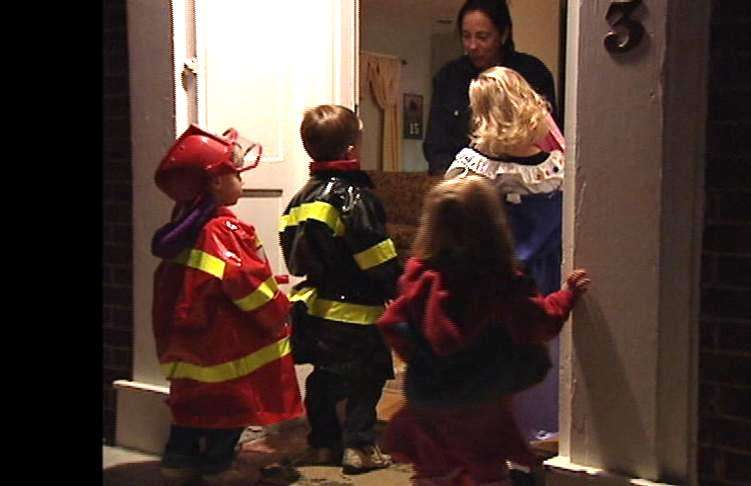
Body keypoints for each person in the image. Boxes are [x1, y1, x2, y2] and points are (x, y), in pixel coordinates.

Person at [376, 176, 590, 486]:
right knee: (487, 469)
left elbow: (393, 325)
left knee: (435, 472)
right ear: (493, 225)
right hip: (482, 402)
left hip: (428, 400)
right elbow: (539, 321)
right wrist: (567, 294)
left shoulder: (417, 275)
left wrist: (421, 358)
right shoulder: (501, 280)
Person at [152, 124, 304, 486]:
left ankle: (178, 462)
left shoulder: (183, 226)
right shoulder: (224, 230)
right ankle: (219, 468)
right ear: (215, 183)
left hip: (194, 344)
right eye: (234, 173)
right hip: (228, 343)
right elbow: (246, 284)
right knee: (232, 406)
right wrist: (279, 310)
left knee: (192, 404)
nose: (240, 180)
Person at [444, 65, 566, 483]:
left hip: (492, 286)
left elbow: (449, 231)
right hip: (547, 281)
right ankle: (534, 453)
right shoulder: (559, 167)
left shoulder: (472, 169)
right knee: (539, 369)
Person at [279, 105, 401, 474]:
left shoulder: (300, 198)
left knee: (324, 377)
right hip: (358, 311)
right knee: (367, 378)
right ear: (351, 150)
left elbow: (292, 254)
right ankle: (360, 448)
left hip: (316, 309)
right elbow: (375, 254)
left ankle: (322, 443)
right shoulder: (355, 197)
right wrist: (398, 284)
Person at [423, 0, 557, 176]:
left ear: (503, 35)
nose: (472, 45)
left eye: (482, 37)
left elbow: (547, 137)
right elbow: (436, 146)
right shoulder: (448, 77)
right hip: (464, 186)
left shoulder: (532, 73)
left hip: (524, 181)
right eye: (466, 36)